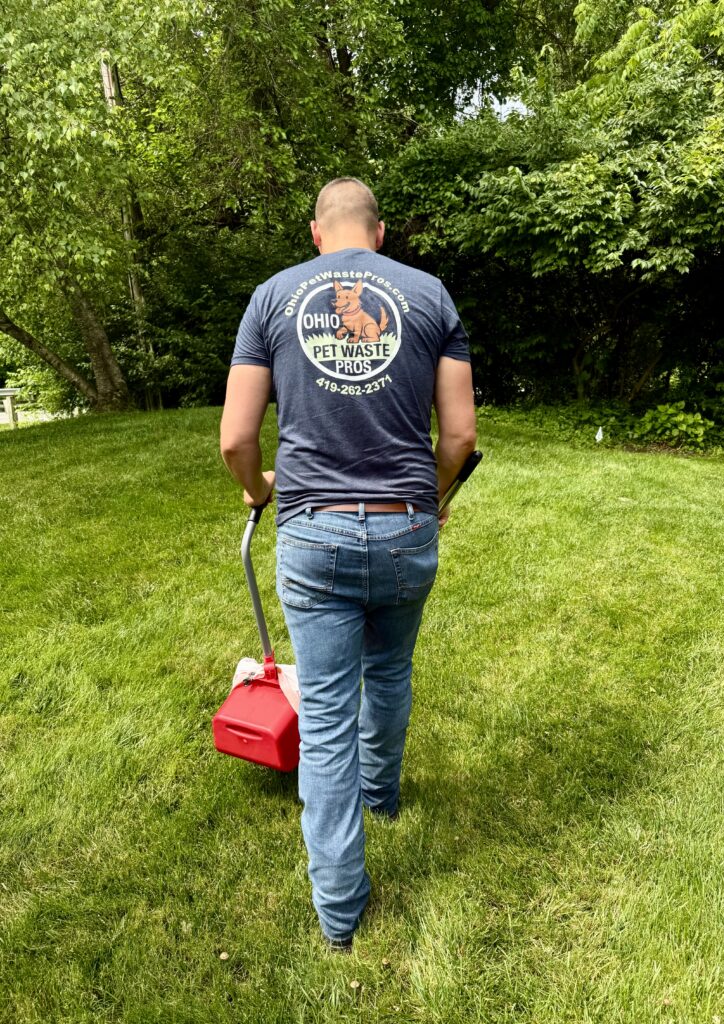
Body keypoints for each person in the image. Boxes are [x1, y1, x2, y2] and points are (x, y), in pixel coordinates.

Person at [220, 177, 476, 951]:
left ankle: (339, 913)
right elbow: (460, 435)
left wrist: (259, 486)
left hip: (312, 533)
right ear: (381, 232)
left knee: (326, 717)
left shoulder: (272, 298)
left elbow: (235, 439)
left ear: (316, 233)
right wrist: (428, 498)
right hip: (405, 529)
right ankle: (383, 797)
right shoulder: (429, 295)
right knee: (391, 672)